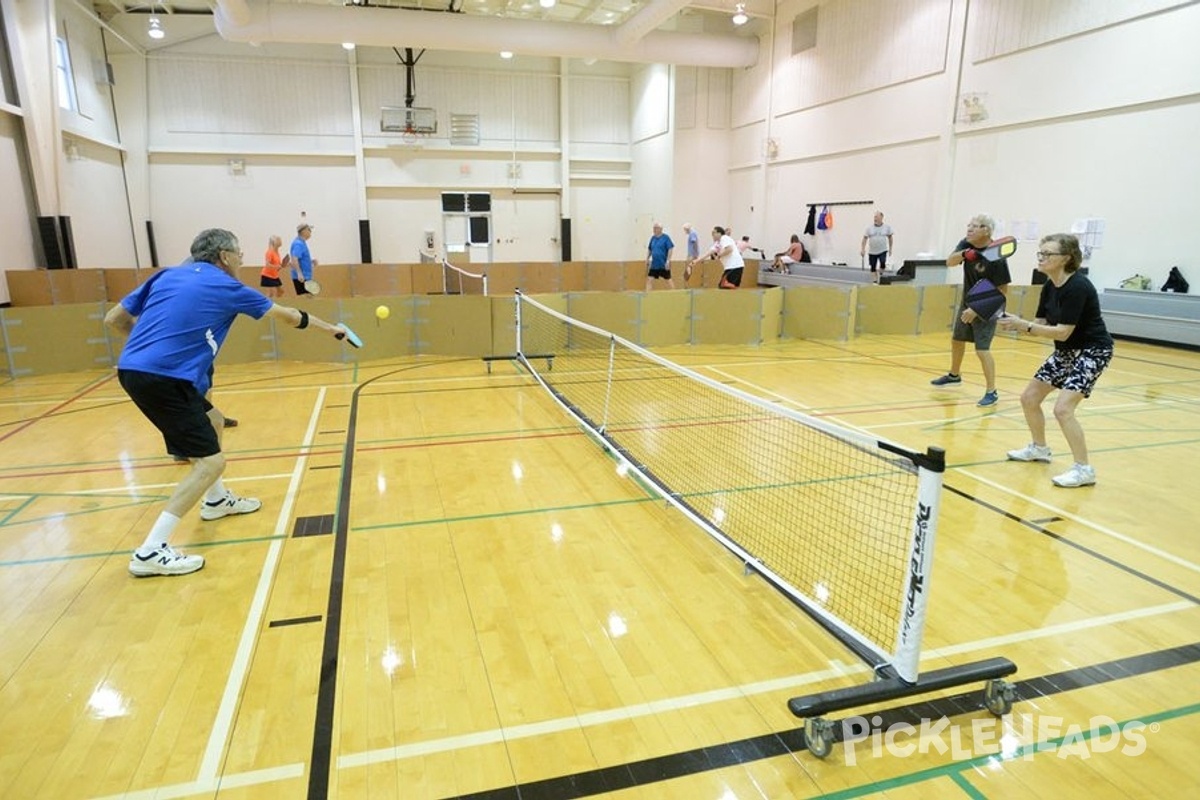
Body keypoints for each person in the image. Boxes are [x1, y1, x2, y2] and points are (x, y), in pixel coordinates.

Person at [106, 228, 350, 576]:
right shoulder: (227, 287)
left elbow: (113, 318)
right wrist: (332, 329)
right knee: (210, 463)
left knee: (215, 421)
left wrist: (149, 345)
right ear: (223, 256)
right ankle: (150, 550)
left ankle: (216, 501)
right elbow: (288, 316)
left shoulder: (166, 276)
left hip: (139, 369)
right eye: (238, 253)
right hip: (164, 378)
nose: (241, 259)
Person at [998, 234, 1113, 488]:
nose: (1041, 257)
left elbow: (1062, 331)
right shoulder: (1049, 285)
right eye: (1040, 252)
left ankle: (1084, 470)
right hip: (1066, 352)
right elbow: (1041, 325)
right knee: (1029, 398)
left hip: (1092, 351)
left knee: (1063, 409)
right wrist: (1013, 321)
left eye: (1047, 254)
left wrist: (1023, 326)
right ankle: (1039, 448)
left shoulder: (1078, 287)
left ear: (1066, 258)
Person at [930, 214, 1011, 407]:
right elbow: (949, 262)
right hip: (968, 300)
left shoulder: (996, 256)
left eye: (975, 226)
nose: (969, 229)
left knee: (982, 350)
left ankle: (992, 391)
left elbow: (1003, 291)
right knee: (957, 339)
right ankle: (954, 375)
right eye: (969, 225)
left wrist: (976, 310)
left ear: (987, 231)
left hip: (988, 304)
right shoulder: (966, 244)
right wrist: (964, 254)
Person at [644, 222, 676, 291]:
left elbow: (670, 248)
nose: (654, 229)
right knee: (649, 279)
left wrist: (668, 260)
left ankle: (674, 293)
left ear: (660, 229)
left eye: (656, 228)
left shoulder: (666, 238)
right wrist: (647, 258)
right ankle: (647, 296)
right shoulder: (652, 238)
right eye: (654, 228)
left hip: (663, 264)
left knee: (668, 279)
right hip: (654, 264)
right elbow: (650, 249)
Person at [290, 222, 318, 296]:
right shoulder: (298, 243)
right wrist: (299, 274)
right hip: (301, 278)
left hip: (306, 276)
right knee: (305, 299)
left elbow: (300, 258)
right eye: (309, 230)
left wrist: (311, 261)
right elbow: (294, 258)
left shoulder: (302, 242)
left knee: (309, 298)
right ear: (303, 231)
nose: (310, 232)